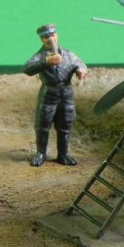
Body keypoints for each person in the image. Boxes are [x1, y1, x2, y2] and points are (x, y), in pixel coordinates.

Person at [22, 24, 87, 167]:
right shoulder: (40, 56)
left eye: (52, 35)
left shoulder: (68, 54)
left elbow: (80, 63)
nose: (50, 39)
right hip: (49, 95)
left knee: (65, 124)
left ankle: (63, 154)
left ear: (56, 35)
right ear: (41, 39)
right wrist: (46, 62)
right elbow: (27, 68)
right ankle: (41, 153)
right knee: (43, 125)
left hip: (66, 94)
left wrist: (81, 70)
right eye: (46, 37)